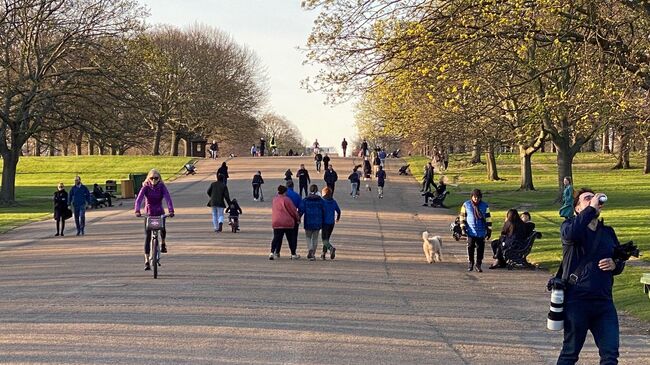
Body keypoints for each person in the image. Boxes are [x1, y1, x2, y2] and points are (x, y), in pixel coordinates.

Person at [556, 188, 626, 365]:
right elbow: (571, 234)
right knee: (570, 354)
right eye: (587, 199)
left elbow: (618, 260)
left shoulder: (608, 232)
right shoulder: (569, 227)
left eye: (594, 198)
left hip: (604, 302)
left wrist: (615, 264)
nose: (593, 200)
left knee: (610, 355)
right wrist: (590, 209)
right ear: (577, 209)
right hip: (577, 301)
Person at [134, 169, 175, 270]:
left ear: (159, 178)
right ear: (149, 178)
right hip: (149, 213)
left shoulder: (162, 187)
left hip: (159, 212)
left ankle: (163, 243)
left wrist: (171, 211)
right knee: (148, 236)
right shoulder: (146, 187)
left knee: (163, 229)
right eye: (152, 178)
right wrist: (137, 210)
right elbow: (139, 199)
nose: (153, 180)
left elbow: (168, 198)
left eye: (156, 178)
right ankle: (147, 260)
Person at [459, 189, 492, 272]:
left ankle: (478, 264)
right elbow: (462, 217)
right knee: (470, 247)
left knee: (480, 248)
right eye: (474, 197)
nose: (476, 199)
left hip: (481, 231)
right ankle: (471, 263)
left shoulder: (485, 206)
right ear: (472, 197)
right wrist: (463, 227)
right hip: (470, 230)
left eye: (478, 197)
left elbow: (488, 218)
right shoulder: (466, 205)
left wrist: (489, 230)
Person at [270, 185, 300, 260]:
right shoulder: (287, 200)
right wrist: (297, 219)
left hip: (277, 221)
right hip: (287, 222)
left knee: (276, 238)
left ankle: (272, 252)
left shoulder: (275, 199)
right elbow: (293, 211)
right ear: (284, 192)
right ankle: (293, 254)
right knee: (290, 239)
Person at [299, 184, 325, 261]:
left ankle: (310, 249)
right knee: (315, 238)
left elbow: (301, 210)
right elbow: (324, 210)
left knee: (308, 237)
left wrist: (298, 218)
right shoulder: (320, 200)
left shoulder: (305, 200)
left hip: (308, 221)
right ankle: (313, 253)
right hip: (318, 221)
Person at [320, 186, 340, 260]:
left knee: (324, 239)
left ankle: (331, 248)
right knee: (327, 238)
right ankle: (323, 254)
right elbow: (338, 211)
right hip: (331, 223)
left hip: (324, 222)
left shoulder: (322, 201)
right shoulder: (333, 201)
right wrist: (337, 218)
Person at [285, 180, 302, 258]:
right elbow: (301, 208)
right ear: (293, 186)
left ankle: (276, 251)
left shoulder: (283, 195)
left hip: (283, 218)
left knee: (279, 235)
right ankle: (293, 252)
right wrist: (299, 216)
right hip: (293, 218)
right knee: (294, 236)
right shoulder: (297, 195)